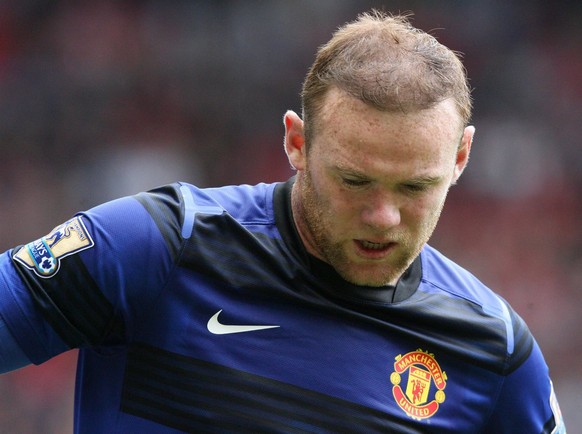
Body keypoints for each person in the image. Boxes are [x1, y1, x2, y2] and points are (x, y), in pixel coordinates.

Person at [0, 10, 566, 433]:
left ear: (461, 158)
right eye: (354, 180)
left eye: (416, 187)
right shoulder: (160, 247)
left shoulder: (494, 350)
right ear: (297, 142)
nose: (383, 216)